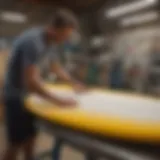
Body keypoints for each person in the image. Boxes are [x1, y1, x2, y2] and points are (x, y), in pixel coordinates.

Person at [2, 9, 85, 160]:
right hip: (15, 96)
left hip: (29, 96)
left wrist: (73, 83)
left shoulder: (51, 41)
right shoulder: (32, 42)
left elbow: (56, 67)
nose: (65, 39)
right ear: (54, 29)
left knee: (31, 138)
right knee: (15, 144)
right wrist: (59, 101)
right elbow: (31, 82)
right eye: (64, 35)